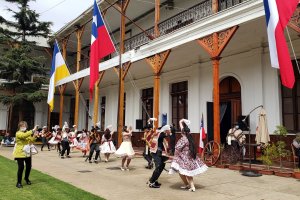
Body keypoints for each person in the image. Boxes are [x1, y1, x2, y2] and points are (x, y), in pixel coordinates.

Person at [169, 119, 208, 192]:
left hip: (184, 158)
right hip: (188, 157)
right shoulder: (189, 137)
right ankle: (187, 184)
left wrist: (174, 156)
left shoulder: (184, 139)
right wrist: (181, 121)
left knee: (187, 173)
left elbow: (177, 148)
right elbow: (182, 128)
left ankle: (192, 186)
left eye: (181, 131)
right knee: (181, 172)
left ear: (183, 132)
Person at [13, 121, 39, 188]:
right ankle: (18, 182)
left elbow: (31, 141)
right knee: (21, 168)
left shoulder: (27, 133)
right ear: (19, 127)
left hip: (27, 152)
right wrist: (33, 130)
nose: (23, 127)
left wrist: (34, 136)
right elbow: (23, 136)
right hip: (20, 153)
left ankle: (26, 178)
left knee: (29, 167)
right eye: (22, 126)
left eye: (24, 126)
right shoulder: (18, 133)